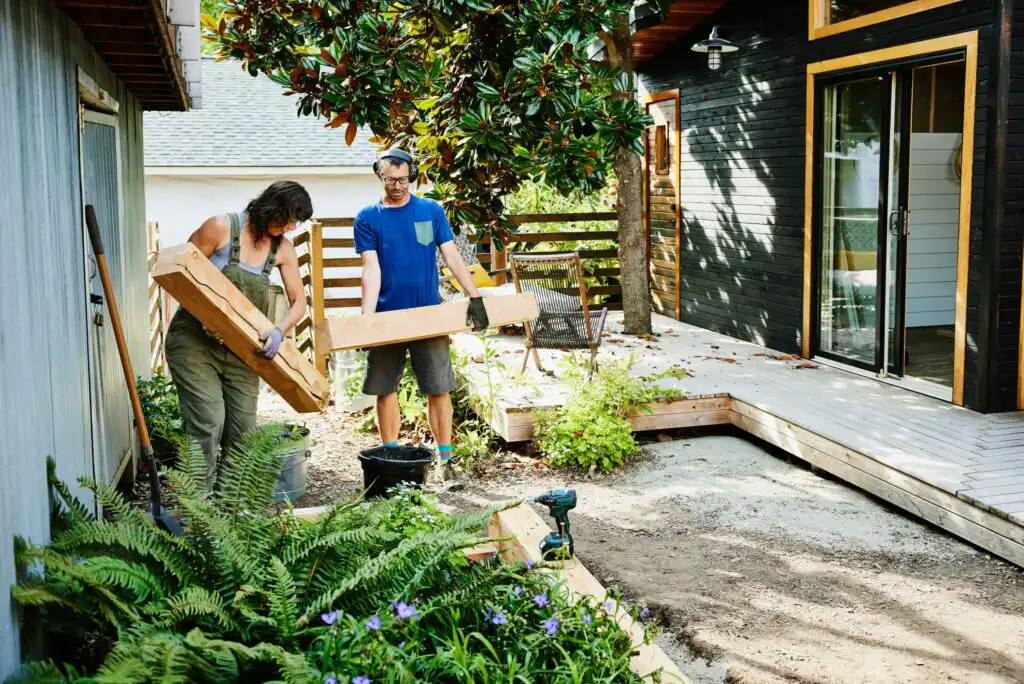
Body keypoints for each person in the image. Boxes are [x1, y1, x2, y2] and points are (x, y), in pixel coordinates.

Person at [165, 181, 312, 486]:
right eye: (289, 219)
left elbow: (300, 302)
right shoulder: (219, 227)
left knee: (243, 431)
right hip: (194, 343)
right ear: (272, 208)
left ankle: (232, 511)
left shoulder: (281, 248)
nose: (291, 226)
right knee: (208, 422)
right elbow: (177, 273)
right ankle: (198, 511)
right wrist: (204, 316)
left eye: (296, 222)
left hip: (243, 351)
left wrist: (279, 331)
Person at [355, 149, 488, 471]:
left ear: (411, 176)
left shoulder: (430, 210)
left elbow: (452, 256)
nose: (397, 186)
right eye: (390, 180)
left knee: (438, 388)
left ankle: (446, 460)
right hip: (388, 318)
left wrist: (475, 296)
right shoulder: (368, 217)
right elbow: (370, 269)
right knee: (385, 389)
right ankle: (390, 456)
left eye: (402, 179)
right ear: (379, 176)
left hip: (429, 315)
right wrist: (367, 320)